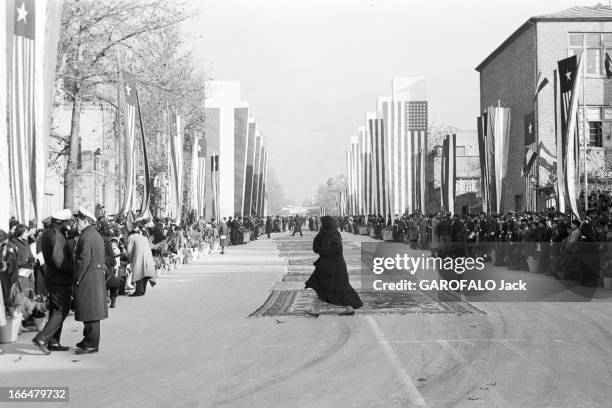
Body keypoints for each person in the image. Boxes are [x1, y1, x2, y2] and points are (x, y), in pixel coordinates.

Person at [32, 209, 74, 355]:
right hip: (59, 278)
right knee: (61, 310)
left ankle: (54, 342)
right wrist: (71, 269)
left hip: (53, 276)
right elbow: (58, 260)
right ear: (63, 222)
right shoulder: (57, 236)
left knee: (56, 310)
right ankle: (42, 339)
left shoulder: (48, 233)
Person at [304, 216, 362, 316]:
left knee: (325, 287)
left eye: (322, 223)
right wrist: (320, 233)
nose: (321, 225)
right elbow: (315, 248)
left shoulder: (333, 235)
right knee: (331, 287)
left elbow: (329, 250)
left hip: (331, 266)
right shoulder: (329, 233)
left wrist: (322, 248)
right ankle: (348, 307)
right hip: (331, 266)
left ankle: (316, 309)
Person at [73, 207, 108, 354]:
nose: (77, 224)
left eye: (79, 221)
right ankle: (88, 339)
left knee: (90, 311)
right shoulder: (94, 234)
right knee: (91, 309)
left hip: (88, 276)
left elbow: (83, 260)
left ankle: (91, 343)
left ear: (86, 221)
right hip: (95, 275)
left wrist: (77, 278)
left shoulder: (86, 237)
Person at [126, 228, 156, 297]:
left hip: (139, 257)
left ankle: (138, 291)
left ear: (130, 234)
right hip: (148, 257)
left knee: (138, 273)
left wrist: (129, 259)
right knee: (145, 274)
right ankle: (143, 291)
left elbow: (129, 250)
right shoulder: (144, 238)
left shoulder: (131, 237)